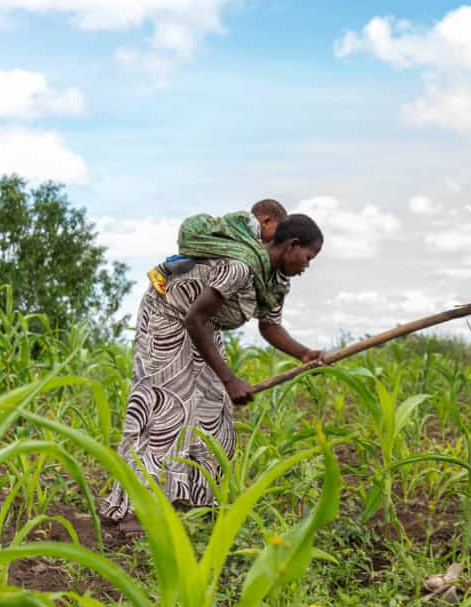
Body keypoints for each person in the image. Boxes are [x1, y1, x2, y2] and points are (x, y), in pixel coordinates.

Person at [100, 213, 325, 538]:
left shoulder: (276, 282)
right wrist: (230, 379)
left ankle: (192, 501)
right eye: (309, 256)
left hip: (204, 326)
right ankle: (138, 510)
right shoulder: (241, 267)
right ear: (292, 245)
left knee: (214, 414)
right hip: (169, 315)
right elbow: (194, 318)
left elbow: (270, 326)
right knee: (167, 410)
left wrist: (303, 353)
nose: (307, 266)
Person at [147, 199, 286, 295]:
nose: (276, 238)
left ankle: (162, 269)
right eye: (278, 230)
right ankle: (162, 270)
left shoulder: (243, 234)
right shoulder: (249, 223)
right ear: (266, 221)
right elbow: (252, 252)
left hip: (196, 235)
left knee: (197, 262)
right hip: (197, 230)